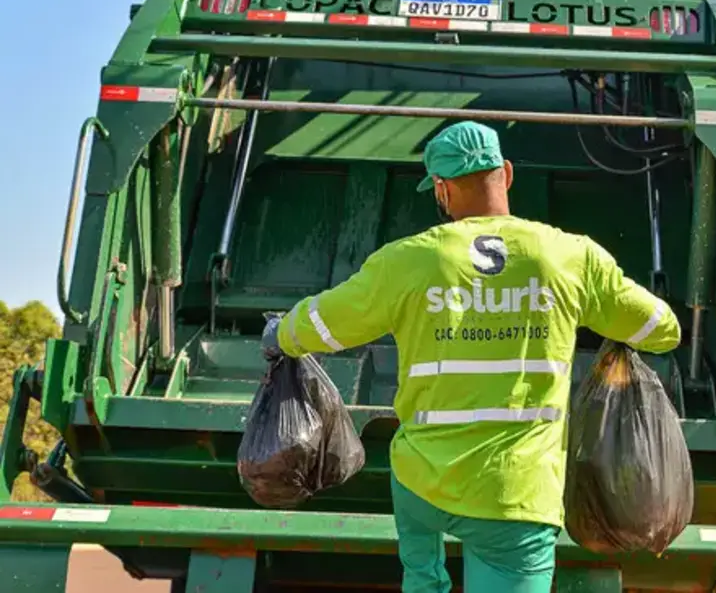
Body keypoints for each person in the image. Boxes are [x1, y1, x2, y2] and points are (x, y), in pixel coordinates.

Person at [261, 120, 681, 593]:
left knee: (422, 568)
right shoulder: (570, 256)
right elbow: (661, 329)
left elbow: (324, 322)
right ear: (506, 172)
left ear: (440, 189)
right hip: (515, 494)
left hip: (423, 482)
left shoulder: (406, 261)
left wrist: (282, 335)